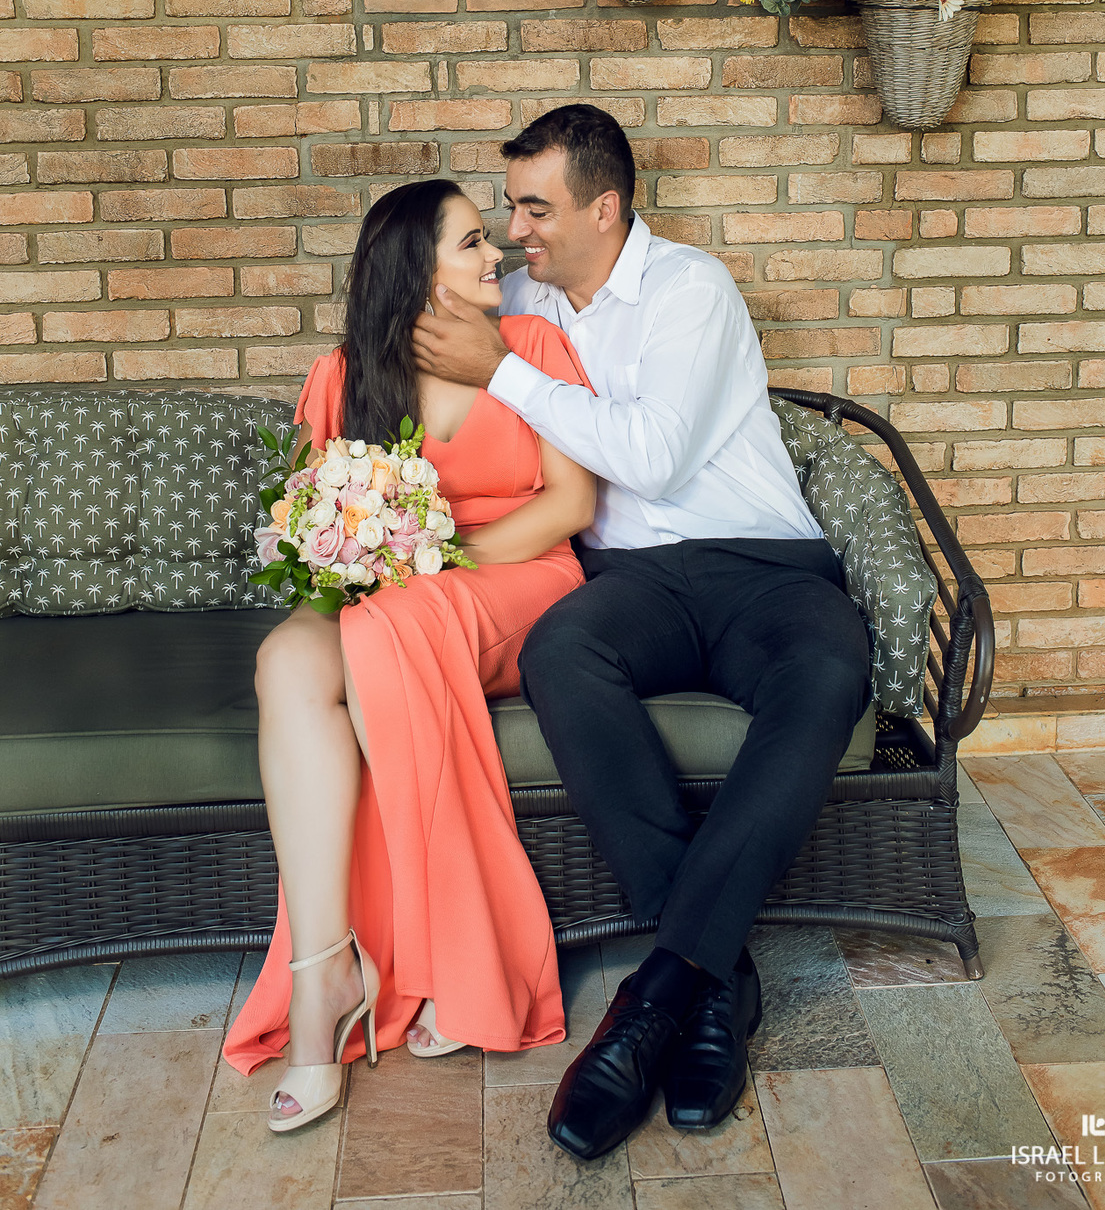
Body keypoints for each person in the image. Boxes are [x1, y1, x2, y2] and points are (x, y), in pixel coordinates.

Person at [412, 104, 873, 1162]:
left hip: (763, 566)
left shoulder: (689, 289)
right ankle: (715, 984)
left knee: (830, 668)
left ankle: (655, 999)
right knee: (559, 650)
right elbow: (420, 323)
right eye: (512, 208)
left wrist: (503, 373)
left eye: (537, 207)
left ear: (605, 207)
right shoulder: (517, 299)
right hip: (634, 581)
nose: (517, 229)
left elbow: (655, 455)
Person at [223, 178, 596, 1133]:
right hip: (387, 596)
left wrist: (432, 554)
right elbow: (314, 527)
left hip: (517, 581)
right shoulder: (344, 375)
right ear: (415, 273)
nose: (495, 257)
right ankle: (324, 973)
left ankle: (444, 959)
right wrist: (363, 557)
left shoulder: (538, 350)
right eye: (472, 243)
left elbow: (571, 505)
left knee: (394, 627)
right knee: (287, 664)